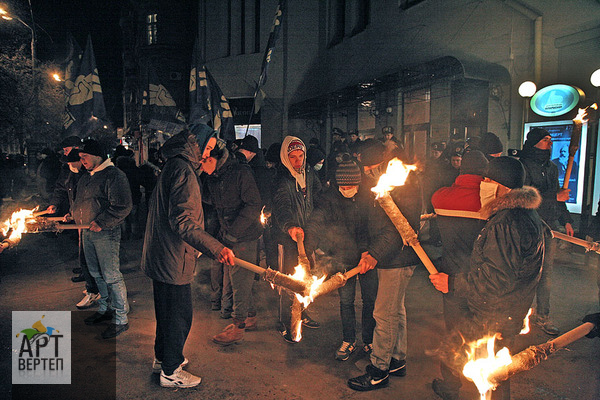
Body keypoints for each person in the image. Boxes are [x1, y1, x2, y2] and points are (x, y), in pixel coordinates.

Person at [429, 156, 546, 400]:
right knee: (494, 371)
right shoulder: (526, 214)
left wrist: (451, 283)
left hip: (494, 313)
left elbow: (496, 279)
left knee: (493, 374)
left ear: (501, 185)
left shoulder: (506, 222)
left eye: (487, 180)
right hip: (509, 308)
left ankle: (453, 388)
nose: (482, 184)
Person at [141, 125, 235, 388]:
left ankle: (163, 359)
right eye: (206, 148)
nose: (207, 154)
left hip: (162, 254)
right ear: (195, 143)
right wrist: (216, 248)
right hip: (173, 257)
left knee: (166, 312)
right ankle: (171, 371)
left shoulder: (176, 165)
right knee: (179, 316)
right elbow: (183, 221)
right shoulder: (183, 170)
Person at [347, 139, 422, 391]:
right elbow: (375, 220)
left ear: (384, 161)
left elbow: (399, 227)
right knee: (396, 309)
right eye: (365, 168)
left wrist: (375, 253)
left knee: (384, 313)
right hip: (387, 254)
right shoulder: (379, 180)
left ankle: (379, 369)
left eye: (372, 167)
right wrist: (367, 248)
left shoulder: (403, 181)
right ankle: (397, 360)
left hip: (398, 256)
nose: (368, 172)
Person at [429, 150, 489, 396]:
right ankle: (484, 377)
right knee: (483, 329)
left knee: (454, 330)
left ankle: (451, 383)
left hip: (451, 274)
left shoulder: (441, 197)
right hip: (483, 277)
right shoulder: (490, 202)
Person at [304, 158, 376, 361]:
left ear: (358, 184)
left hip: (367, 256)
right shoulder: (329, 199)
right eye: (343, 186)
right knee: (346, 301)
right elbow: (316, 222)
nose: (347, 190)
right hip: (342, 257)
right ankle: (349, 339)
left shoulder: (370, 196)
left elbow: (369, 227)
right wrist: (307, 249)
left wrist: (369, 251)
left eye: (351, 186)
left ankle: (369, 340)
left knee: (370, 299)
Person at [202, 138, 263, 346]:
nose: (201, 165)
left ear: (215, 158)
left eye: (204, 161)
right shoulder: (214, 177)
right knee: (242, 279)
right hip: (228, 233)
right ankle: (251, 316)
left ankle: (238, 327)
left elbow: (253, 204)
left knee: (239, 281)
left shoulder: (240, 172)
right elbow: (215, 201)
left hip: (244, 235)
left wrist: (232, 235)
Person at [73, 140, 133, 340]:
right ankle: (106, 308)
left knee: (110, 275)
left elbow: (123, 205)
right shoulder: (86, 177)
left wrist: (101, 222)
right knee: (96, 273)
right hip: (87, 231)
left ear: (98, 155)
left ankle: (120, 318)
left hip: (105, 232)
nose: (81, 161)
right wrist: (72, 215)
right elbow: (81, 202)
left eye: (85, 157)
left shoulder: (114, 175)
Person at [519, 128, 573, 336]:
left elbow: (558, 196)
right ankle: (518, 315)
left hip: (550, 227)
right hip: (529, 226)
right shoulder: (523, 165)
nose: (549, 143)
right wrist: (554, 196)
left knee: (546, 274)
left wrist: (566, 219)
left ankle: (543, 315)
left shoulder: (551, 168)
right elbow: (525, 195)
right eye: (545, 140)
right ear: (534, 143)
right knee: (525, 273)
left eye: (551, 140)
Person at [272, 136, 322, 343]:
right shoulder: (282, 178)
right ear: (286, 158)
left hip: (307, 235)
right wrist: (290, 226)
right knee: (288, 280)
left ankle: (302, 312)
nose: (297, 161)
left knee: (306, 277)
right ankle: (285, 321)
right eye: (292, 157)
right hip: (288, 237)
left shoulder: (309, 174)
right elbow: (281, 206)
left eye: (300, 156)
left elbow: (318, 197)